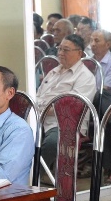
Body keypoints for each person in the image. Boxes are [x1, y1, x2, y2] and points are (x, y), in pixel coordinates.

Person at [35, 33, 97, 177]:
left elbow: (70, 108)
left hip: (65, 124)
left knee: (52, 142)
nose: (60, 53)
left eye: (66, 50)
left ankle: (34, 176)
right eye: (60, 49)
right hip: (40, 118)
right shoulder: (53, 72)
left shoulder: (85, 77)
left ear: (79, 53)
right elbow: (38, 96)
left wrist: (41, 111)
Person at [88, 29, 111, 107]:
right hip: (89, 99)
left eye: (96, 41)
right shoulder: (89, 61)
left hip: (108, 105)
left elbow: (103, 91)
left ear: (108, 44)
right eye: (91, 40)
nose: (92, 44)